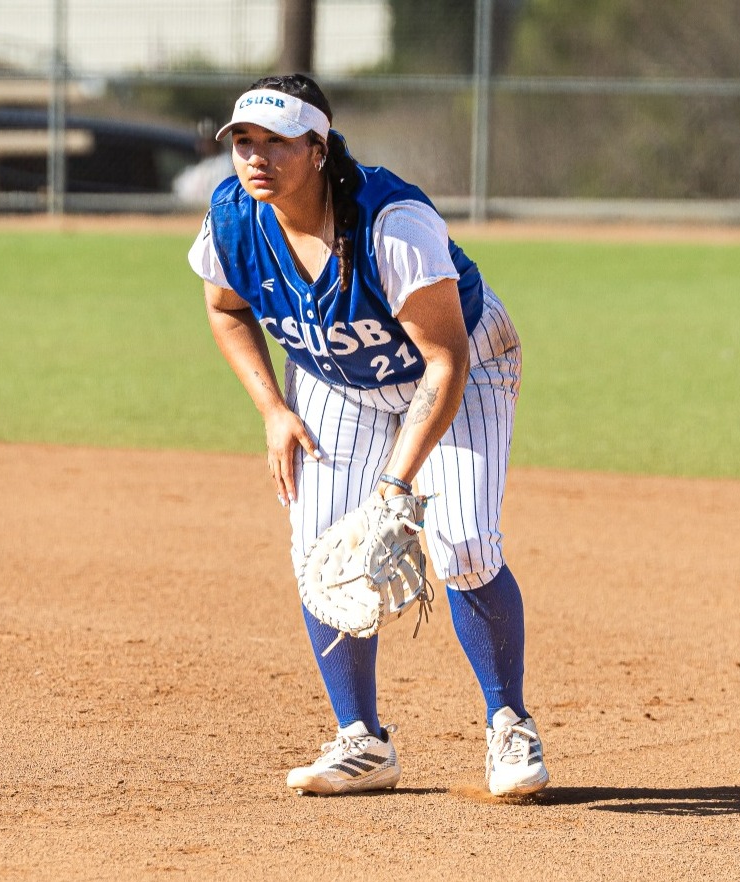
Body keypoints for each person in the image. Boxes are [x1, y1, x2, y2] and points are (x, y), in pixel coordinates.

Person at [188, 74, 548, 798]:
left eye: (276, 143)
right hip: (331, 379)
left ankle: (508, 725)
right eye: (243, 143)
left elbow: (443, 360)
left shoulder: (392, 223)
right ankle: (361, 742)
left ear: (319, 149)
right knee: (325, 554)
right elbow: (227, 310)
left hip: (460, 365)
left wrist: (394, 484)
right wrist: (272, 409)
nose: (255, 158)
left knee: (463, 541)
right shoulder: (231, 219)